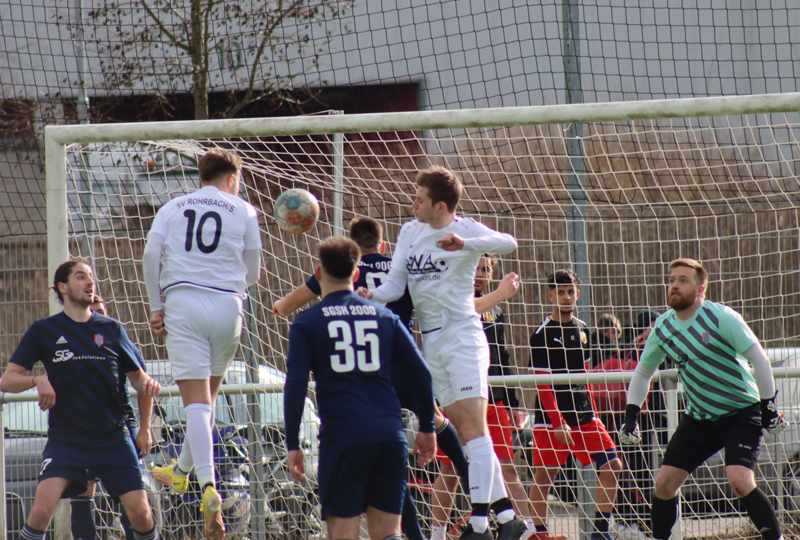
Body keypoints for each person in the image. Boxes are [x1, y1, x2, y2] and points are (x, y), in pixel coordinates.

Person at [272, 216, 469, 540]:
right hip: (388, 436)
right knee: (389, 534)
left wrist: (292, 443)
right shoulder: (385, 316)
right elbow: (421, 371)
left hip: (342, 438)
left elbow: (294, 384)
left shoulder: (307, 322)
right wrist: (427, 428)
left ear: (319, 274)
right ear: (356, 272)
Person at [356, 165, 524, 540]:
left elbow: (508, 243)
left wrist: (466, 245)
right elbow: (396, 282)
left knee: (474, 432)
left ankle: (480, 526)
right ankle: (510, 520)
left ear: (441, 206)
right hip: (431, 342)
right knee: (467, 437)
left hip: (464, 335)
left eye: (419, 199)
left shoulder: (464, 229)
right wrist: (373, 294)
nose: (412, 203)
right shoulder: (409, 230)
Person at [619, 258, 789, 540]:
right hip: (699, 418)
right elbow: (642, 373)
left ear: (701, 290)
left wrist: (767, 406)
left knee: (739, 480)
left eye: (683, 280)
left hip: (741, 413)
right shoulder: (662, 327)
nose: (674, 285)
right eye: (672, 279)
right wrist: (631, 415)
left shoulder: (721, 317)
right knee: (663, 485)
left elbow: (759, 359)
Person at [142, 148, 262, 540]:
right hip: (228, 305)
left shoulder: (173, 207)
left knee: (196, 402)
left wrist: (157, 306)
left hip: (183, 303)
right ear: (232, 178)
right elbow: (255, 272)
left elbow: (150, 253)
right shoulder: (244, 210)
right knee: (207, 399)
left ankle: (207, 486)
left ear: (203, 175)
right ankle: (179, 473)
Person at [1, 260, 161, 540]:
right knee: (40, 513)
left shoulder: (112, 329)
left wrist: (146, 383)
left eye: (91, 277)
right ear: (62, 287)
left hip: (112, 436)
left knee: (141, 514)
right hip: (67, 439)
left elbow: (137, 378)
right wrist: (37, 380)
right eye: (80, 277)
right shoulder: (44, 330)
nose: (90, 283)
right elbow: (8, 379)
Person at [429, 254, 534, 540]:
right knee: (450, 471)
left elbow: (503, 357)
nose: (480, 273)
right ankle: (438, 534)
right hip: (457, 399)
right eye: (475, 267)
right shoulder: (451, 299)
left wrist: (512, 403)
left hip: (493, 399)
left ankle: (526, 529)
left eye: (486, 268)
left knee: (508, 466)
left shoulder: (495, 309)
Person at [526, 269, 622, 540]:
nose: (566, 297)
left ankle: (600, 534)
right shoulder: (542, 334)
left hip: (585, 417)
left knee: (612, 466)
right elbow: (543, 384)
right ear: (550, 296)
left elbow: (586, 377)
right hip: (552, 420)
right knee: (544, 478)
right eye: (560, 293)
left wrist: (595, 412)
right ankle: (540, 534)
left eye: (570, 292)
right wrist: (557, 422)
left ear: (577, 295)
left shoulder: (583, 330)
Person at [70, 295, 152, 540]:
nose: (97, 316)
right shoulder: (71, 343)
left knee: (131, 497)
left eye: (101, 311)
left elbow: (144, 384)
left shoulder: (117, 337)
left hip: (120, 426)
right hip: (83, 429)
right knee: (83, 493)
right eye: (92, 312)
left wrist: (145, 428)